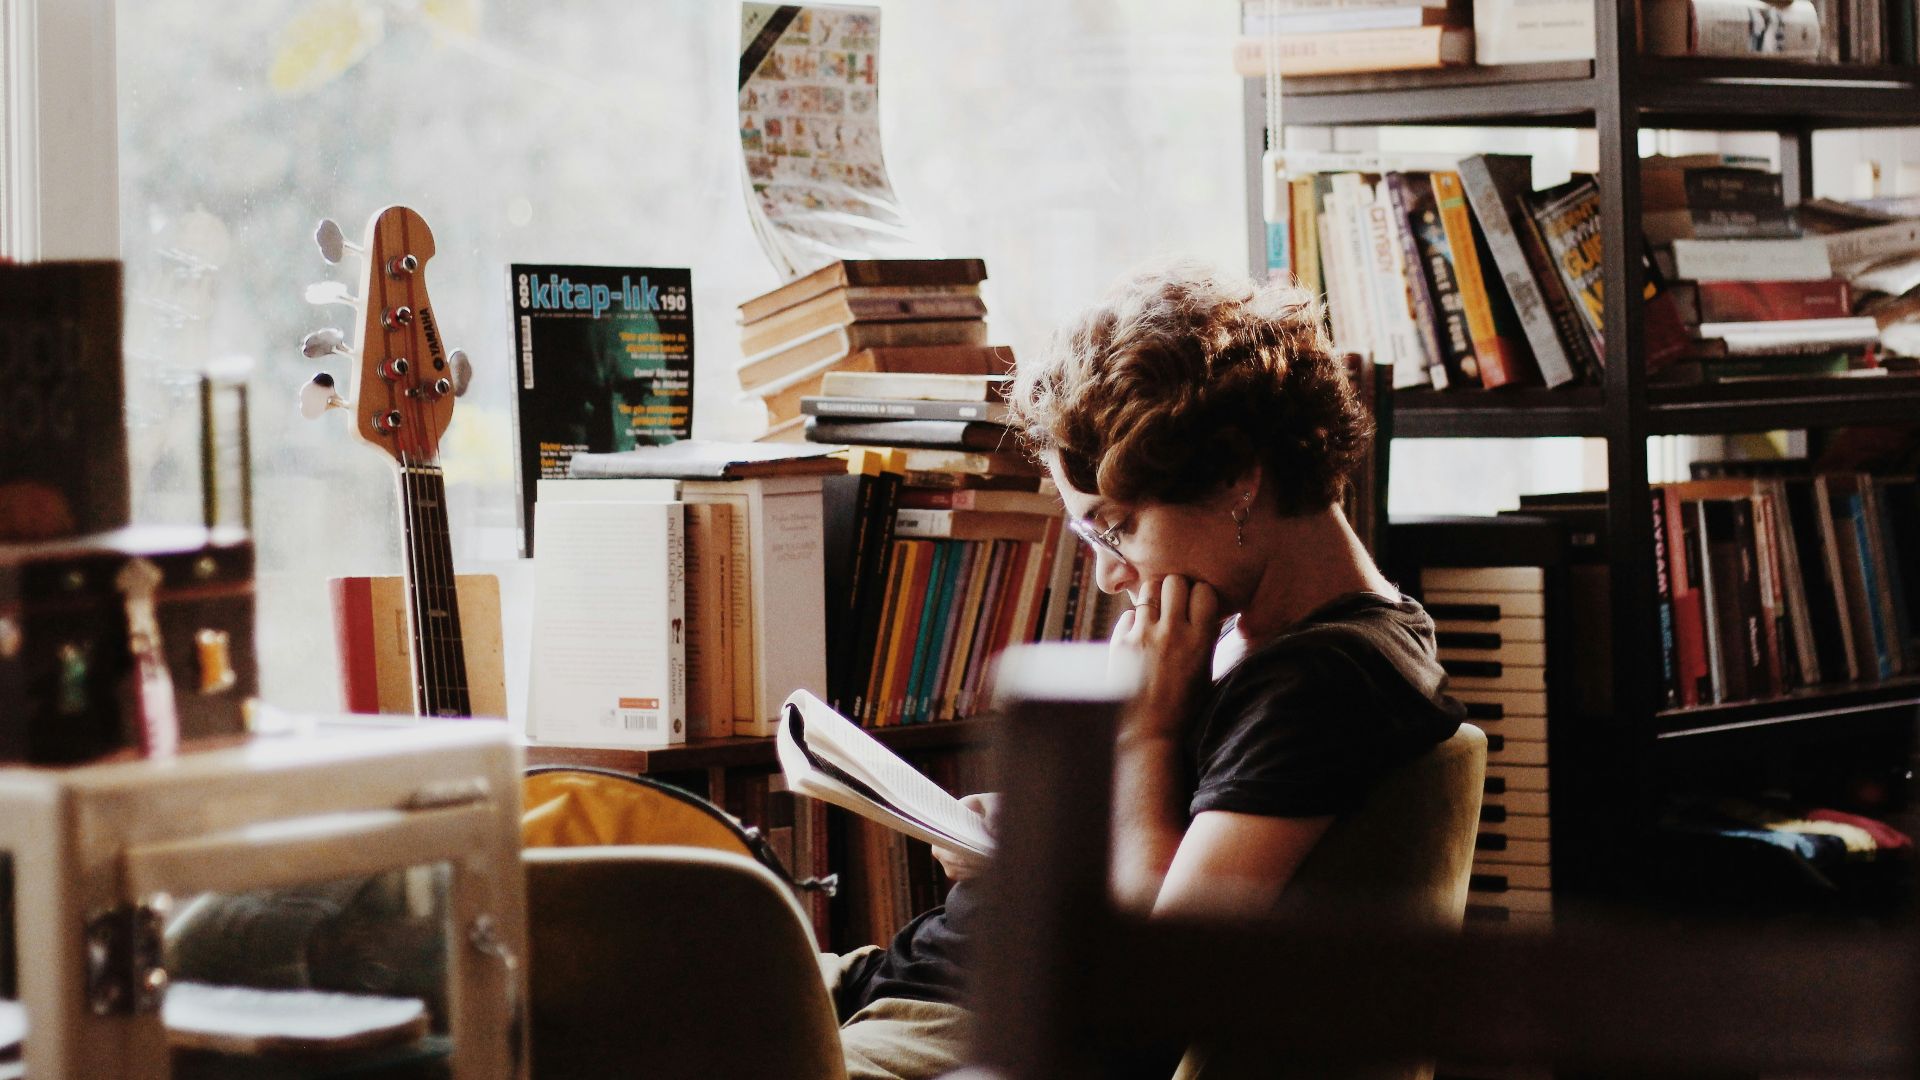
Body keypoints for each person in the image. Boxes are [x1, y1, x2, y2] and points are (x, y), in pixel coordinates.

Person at [822, 261, 1466, 1080]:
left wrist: (1146, 734)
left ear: (1237, 478)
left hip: (966, 1025)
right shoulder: (1261, 642)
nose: (1108, 574)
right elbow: (1173, 838)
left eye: (1119, 527)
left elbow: (1157, 982)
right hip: (913, 982)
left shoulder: (1324, 682)